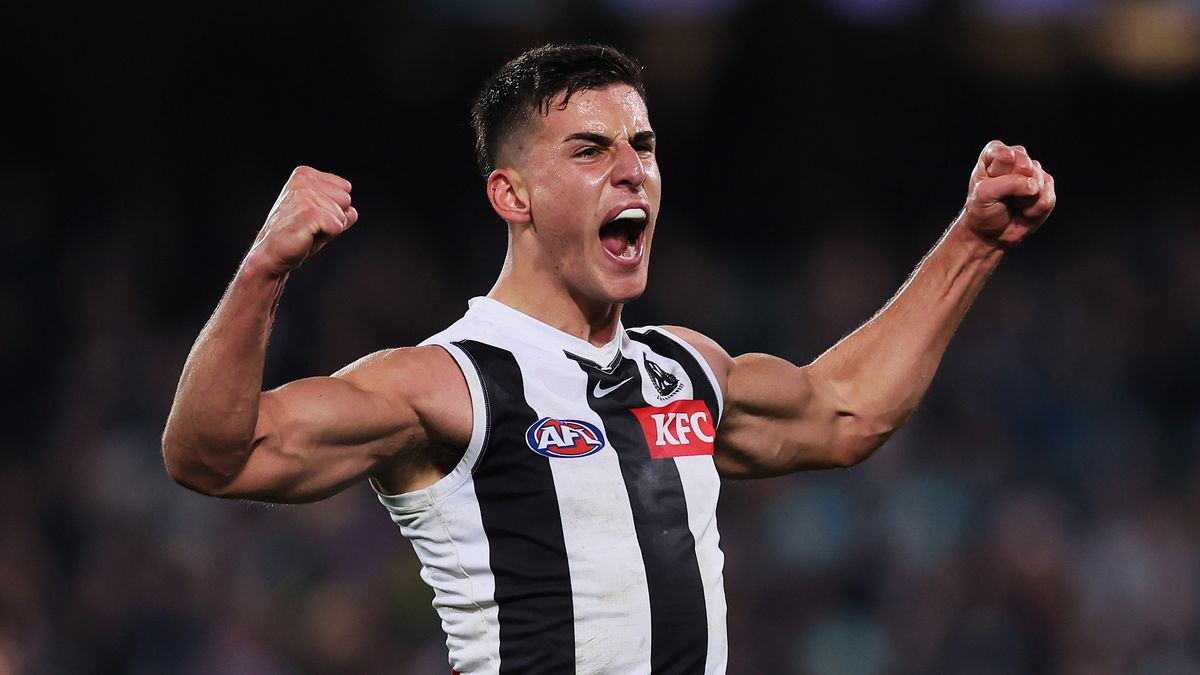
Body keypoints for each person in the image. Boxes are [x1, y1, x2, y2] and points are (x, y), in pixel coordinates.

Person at [162, 43, 1056, 674]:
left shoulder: (684, 368)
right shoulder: (448, 382)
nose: (632, 170)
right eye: (589, 150)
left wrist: (975, 242)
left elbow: (844, 412)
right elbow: (213, 454)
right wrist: (264, 269)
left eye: (644, 146)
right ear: (510, 193)